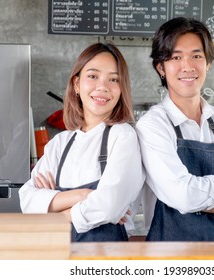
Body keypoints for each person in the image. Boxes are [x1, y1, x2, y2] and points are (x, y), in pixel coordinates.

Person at [136, 17, 214, 241]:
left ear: (207, 63)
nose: (188, 66)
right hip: (169, 257)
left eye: (197, 56)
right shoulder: (152, 125)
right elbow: (183, 196)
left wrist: (195, 198)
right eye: (176, 57)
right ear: (161, 68)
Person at [19, 43, 144, 242]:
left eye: (113, 79)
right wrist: (83, 195)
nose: (102, 86)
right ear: (76, 84)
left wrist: (55, 211)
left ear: (121, 89)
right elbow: (27, 200)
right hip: (56, 254)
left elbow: (108, 206)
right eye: (93, 76)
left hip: (104, 260)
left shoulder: (123, 136)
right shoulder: (60, 143)